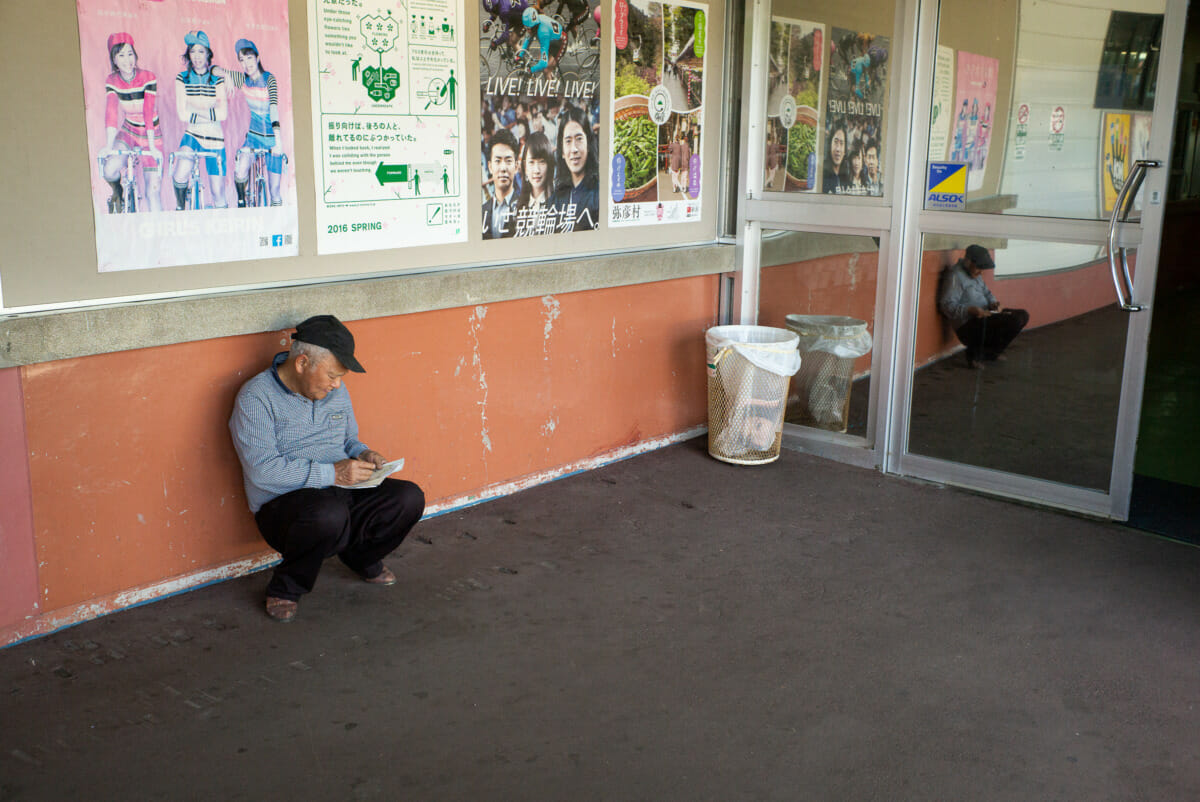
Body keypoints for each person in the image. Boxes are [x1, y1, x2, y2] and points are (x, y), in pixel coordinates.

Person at [229, 315, 425, 622]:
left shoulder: (336, 391)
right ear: (302, 362)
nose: (337, 385)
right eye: (332, 375)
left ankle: (361, 557)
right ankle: (286, 587)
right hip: (284, 505)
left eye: (340, 377)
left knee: (409, 497)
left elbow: (348, 440)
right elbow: (262, 472)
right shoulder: (256, 398)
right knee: (327, 514)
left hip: (340, 490)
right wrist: (332, 474)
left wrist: (364, 453)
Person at [216, 39, 285, 207]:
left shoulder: (269, 79)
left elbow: (273, 108)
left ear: (257, 58)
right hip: (253, 137)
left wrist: (278, 142)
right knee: (240, 170)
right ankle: (241, 202)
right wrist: (226, 76)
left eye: (249, 58)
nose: (246, 63)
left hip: (272, 138)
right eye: (241, 60)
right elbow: (214, 69)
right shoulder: (242, 79)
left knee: (275, 190)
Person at [938, 244, 1030, 368]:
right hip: (968, 324)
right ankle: (974, 354)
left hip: (985, 315)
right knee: (1013, 320)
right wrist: (970, 310)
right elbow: (946, 305)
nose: (981, 272)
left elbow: (986, 292)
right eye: (978, 268)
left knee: (1022, 315)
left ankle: (991, 353)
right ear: (968, 261)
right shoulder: (955, 276)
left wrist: (994, 303)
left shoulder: (975, 273)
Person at [99, 33, 163, 212]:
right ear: (114, 60)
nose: (127, 60)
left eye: (130, 54)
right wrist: (108, 146)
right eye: (121, 55)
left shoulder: (148, 76)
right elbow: (111, 112)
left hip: (151, 133)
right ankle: (118, 191)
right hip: (128, 132)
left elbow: (148, 112)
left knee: (153, 191)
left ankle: (158, 231)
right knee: (109, 169)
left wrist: (151, 146)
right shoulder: (112, 80)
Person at [172, 30, 228, 210]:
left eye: (201, 51)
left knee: (218, 192)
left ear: (208, 54)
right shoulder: (182, 78)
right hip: (193, 135)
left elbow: (223, 114)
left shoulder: (217, 80)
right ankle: (181, 208)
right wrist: (209, 112)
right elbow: (182, 115)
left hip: (215, 139)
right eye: (193, 51)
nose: (196, 56)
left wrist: (195, 112)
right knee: (180, 174)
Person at [549, 105, 598, 231]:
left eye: (579, 139)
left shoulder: (600, 193)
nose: (574, 149)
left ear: (588, 144)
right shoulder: (554, 201)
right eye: (568, 141)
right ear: (562, 152)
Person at [514, 131, 555, 236]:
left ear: (549, 164)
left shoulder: (558, 204)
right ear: (525, 166)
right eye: (531, 162)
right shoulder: (518, 207)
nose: (536, 170)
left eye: (542, 162)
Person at [482, 127, 519, 238]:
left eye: (508, 161)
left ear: (516, 166)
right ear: (490, 167)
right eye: (497, 161)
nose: (503, 168)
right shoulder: (481, 212)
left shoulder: (527, 208)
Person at [822, 119, 846, 194]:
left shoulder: (846, 177)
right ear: (830, 144)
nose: (838, 149)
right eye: (835, 142)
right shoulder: (822, 175)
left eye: (841, 143)